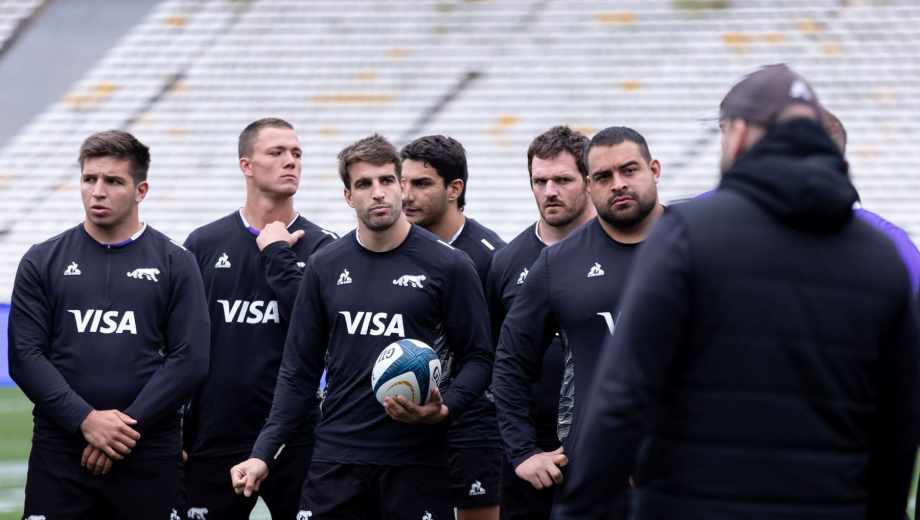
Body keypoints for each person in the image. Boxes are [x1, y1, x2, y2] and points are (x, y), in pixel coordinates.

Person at [554, 64, 920, 519]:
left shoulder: (687, 235)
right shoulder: (884, 255)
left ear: (741, 135)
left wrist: (581, 509)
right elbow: (900, 422)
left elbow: (624, 393)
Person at [229, 134, 493, 519]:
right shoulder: (326, 266)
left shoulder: (448, 265)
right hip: (337, 458)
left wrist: (445, 408)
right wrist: (262, 453)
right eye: (364, 184)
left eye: (387, 181)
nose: (378, 193)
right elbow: (298, 371)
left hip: (415, 461)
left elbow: (480, 358)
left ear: (401, 187)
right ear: (348, 197)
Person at [8, 130, 210, 519]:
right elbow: (24, 356)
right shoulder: (41, 260)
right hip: (60, 451)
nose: (97, 191)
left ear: (141, 190)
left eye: (113, 181)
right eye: (89, 179)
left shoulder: (175, 262)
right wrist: (84, 420)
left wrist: (120, 431)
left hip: (147, 451)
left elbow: (190, 359)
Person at [492, 126, 665, 517]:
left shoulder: (699, 243)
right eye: (603, 176)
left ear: (654, 169)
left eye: (629, 170)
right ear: (590, 184)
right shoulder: (559, 264)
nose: (617, 184)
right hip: (596, 481)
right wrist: (523, 452)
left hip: (690, 473)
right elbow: (509, 363)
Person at [181, 118, 337, 519]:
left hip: (297, 435)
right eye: (277, 152)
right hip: (215, 432)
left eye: (297, 154)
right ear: (246, 165)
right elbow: (180, 344)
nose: (291, 162)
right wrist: (176, 428)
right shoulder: (203, 244)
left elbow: (326, 331)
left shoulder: (325, 248)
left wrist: (279, 255)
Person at [484, 126, 594, 519]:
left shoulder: (622, 250)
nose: (550, 191)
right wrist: (520, 448)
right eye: (540, 181)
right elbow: (499, 358)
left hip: (604, 442)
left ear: (587, 180)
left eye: (563, 180)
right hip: (529, 453)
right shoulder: (507, 260)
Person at [400, 134, 505, 520]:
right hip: (406, 418)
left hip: (475, 421)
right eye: (403, 182)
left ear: (454, 189)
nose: (406, 194)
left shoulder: (491, 258)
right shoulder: (393, 248)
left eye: (422, 183)